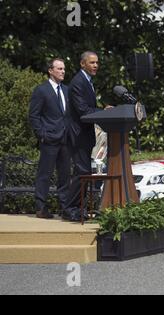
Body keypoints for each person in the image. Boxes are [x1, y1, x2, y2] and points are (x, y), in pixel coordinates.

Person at [64, 51, 108, 221]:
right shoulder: (78, 82)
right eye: (92, 62)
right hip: (78, 135)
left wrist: (103, 111)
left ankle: (76, 208)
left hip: (86, 135)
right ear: (83, 64)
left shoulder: (88, 82)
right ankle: (70, 208)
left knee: (84, 172)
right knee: (82, 172)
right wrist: (102, 112)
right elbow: (83, 110)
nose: (95, 65)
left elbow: (89, 107)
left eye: (97, 62)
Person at [29, 58, 73, 219]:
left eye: (64, 69)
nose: (63, 71)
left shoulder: (67, 90)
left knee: (64, 176)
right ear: (51, 70)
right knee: (44, 175)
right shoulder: (41, 90)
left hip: (65, 140)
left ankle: (65, 208)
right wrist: (42, 134)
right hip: (49, 139)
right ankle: (41, 208)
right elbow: (34, 115)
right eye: (59, 69)